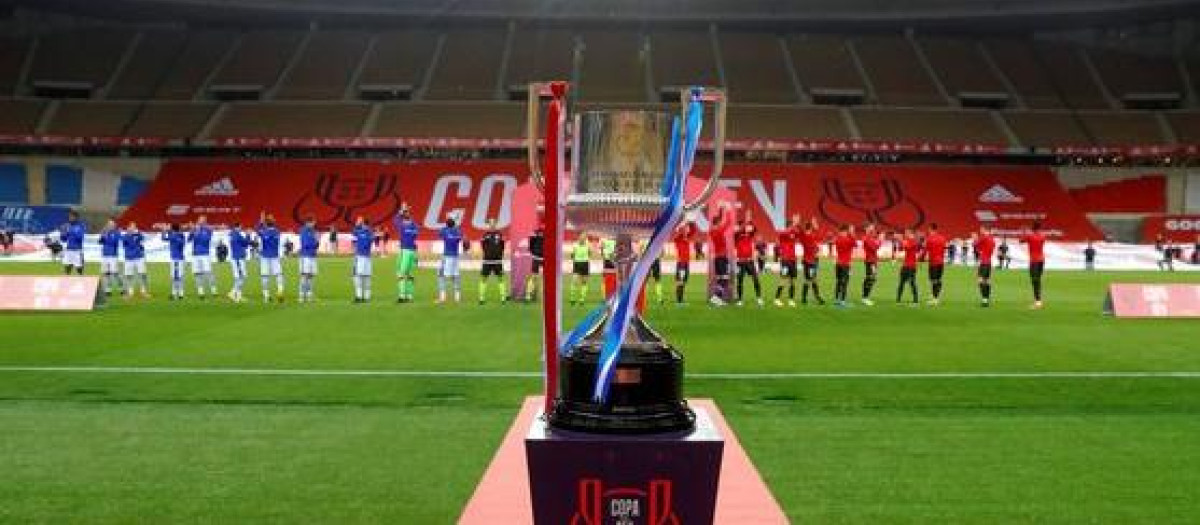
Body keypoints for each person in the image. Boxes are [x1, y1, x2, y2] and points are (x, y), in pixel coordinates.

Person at [733, 212, 763, 307]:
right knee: (740, 281)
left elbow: (755, 229)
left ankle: (759, 298)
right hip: (740, 261)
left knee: (755, 279)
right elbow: (738, 231)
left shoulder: (749, 234)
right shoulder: (736, 236)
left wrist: (750, 221)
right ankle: (740, 300)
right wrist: (746, 222)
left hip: (750, 261)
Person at [708, 202, 734, 306]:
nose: (720, 223)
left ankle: (717, 299)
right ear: (718, 223)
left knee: (719, 279)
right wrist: (728, 209)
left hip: (717, 258)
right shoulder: (719, 230)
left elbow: (720, 220)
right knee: (724, 279)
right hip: (722, 258)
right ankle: (716, 298)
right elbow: (728, 222)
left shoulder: (711, 231)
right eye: (719, 222)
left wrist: (720, 209)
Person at [188, 215, 218, 299]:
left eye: (202, 220)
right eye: (199, 220)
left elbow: (206, 240)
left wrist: (198, 231)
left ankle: (214, 291)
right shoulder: (195, 229)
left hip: (205, 254)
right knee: (197, 273)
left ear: (205, 221)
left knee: (208, 272)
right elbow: (189, 240)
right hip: (195, 255)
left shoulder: (208, 230)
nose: (200, 221)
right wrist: (192, 231)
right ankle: (201, 292)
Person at [257, 213, 285, 303]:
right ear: (274, 223)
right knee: (279, 274)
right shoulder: (277, 232)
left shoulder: (263, 232)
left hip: (265, 256)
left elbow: (257, 230)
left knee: (264, 276)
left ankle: (266, 296)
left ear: (266, 223)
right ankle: (280, 291)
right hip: (274, 256)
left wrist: (261, 222)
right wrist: (264, 223)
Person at [773, 215, 800, 307]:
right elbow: (784, 232)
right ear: (788, 226)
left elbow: (799, 233)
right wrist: (794, 224)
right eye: (791, 226)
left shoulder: (793, 233)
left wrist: (796, 224)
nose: (793, 228)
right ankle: (777, 299)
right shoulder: (783, 234)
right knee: (783, 279)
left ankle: (791, 299)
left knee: (793, 281)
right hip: (785, 260)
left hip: (793, 260)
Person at [478, 219, 507, 304]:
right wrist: (488, 254)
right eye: (490, 223)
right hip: (487, 260)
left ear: (495, 224)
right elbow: (483, 246)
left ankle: (503, 297)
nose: (492, 225)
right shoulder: (485, 235)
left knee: (500, 278)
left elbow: (502, 246)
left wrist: (499, 255)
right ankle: (481, 298)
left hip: (497, 261)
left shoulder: (500, 234)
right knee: (483, 278)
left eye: (493, 223)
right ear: (489, 225)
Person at [394, 207, 420, 303]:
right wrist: (406, 213)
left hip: (404, 251)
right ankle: (410, 296)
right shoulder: (415, 226)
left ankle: (402, 296)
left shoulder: (402, 226)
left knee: (400, 273)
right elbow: (415, 231)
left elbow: (395, 219)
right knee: (410, 274)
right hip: (413, 251)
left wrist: (401, 211)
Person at [798, 217, 825, 305]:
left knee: (808, 279)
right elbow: (820, 236)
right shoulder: (810, 236)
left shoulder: (804, 237)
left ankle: (804, 297)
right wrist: (815, 226)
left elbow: (802, 232)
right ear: (810, 229)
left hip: (807, 261)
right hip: (811, 262)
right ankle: (817, 297)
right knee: (813, 279)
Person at [437, 215, 465, 304]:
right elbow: (463, 239)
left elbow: (439, 233)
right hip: (455, 257)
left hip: (447, 256)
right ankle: (457, 297)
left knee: (441, 275)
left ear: (447, 224)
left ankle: (442, 297)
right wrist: (455, 227)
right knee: (456, 276)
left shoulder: (444, 231)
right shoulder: (458, 231)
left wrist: (451, 226)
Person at [1021, 221, 1047, 309]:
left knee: (1034, 281)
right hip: (1041, 260)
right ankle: (1039, 300)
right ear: (1040, 228)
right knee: (1038, 280)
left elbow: (1021, 240)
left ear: (1033, 228)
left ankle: (1038, 302)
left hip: (1034, 261)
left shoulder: (1030, 236)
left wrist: (1024, 232)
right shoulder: (1043, 236)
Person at [120, 222, 149, 299]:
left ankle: (144, 291)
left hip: (139, 257)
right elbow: (125, 243)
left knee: (142, 274)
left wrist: (137, 233)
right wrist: (130, 235)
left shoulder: (138, 235)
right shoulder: (125, 236)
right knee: (128, 275)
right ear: (128, 228)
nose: (133, 228)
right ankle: (130, 292)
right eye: (132, 227)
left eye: (134, 227)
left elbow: (143, 238)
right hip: (129, 258)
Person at [832, 224, 857, 307]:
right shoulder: (848, 240)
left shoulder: (837, 239)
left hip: (838, 263)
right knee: (845, 282)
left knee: (838, 282)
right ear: (846, 231)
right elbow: (855, 244)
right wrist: (852, 233)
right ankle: (842, 301)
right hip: (845, 264)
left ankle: (836, 299)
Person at [350, 216, 374, 303]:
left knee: (358, 276)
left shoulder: (361, 232)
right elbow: (354, 237)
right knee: (367, 276)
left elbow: (353, 235)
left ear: (363, 224)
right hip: (367, 257)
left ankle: (359, 296)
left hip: (360, 256)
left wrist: (357, 225)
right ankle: (366, 297)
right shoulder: (370, 232)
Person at [924, 223, 948, 306]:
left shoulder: (929, 239)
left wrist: (920, 258)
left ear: (930, 229)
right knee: (938, 279)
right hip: (941, 262)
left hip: (933, 262)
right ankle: (936, 296)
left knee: (933, 280)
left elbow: (925, 250)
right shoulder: (942, 238)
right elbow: (945, 249)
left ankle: (935, 299)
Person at [98, 218, 124, 296]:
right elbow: (100, 242)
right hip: (105, 255)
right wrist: (103, 236)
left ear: (115, 225)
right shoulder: (105, 232)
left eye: (112, 224)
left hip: (113, 255)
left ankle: (121, 288)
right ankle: (108, 290)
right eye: (109, 224)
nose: (110, 225)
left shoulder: (117, 232)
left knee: (115, 273)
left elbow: (114, 242)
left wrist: (106, 235)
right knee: (106, 273)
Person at [672, 221, 696, 305]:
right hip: (681, 263)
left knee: (683, 281)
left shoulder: (686, 237)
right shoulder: (678, 239)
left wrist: (691, 222)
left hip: (685, 263)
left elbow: (693, 230)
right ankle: (679, 301)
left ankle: (681, 300)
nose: (686, 230)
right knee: (680, 281)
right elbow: (678, 233)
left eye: (686, 229)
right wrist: (683, 226)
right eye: (685, 229)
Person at [161, 223, 187, 300]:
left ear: (172, 229)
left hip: (176, 259)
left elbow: (163, 238)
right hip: (179, 258)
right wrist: (166, 231)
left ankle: (175, 293)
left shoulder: (174, 236)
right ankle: (179, 293)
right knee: (179, 276)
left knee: (176, 276)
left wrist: (164, 230)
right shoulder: (180, 235)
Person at [298, 216, 320, 302]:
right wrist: (315, 240)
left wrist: (317, 241)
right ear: (308, 222)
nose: (314, 224)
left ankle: (309, 295)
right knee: (304, 276)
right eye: (313, 222)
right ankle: (301, 296)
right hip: (305, 256)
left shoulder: (313, 231)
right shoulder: (303, 231)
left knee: (311, 276)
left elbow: (316, 246)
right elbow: (306, 244)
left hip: (313, 256)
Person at [227, 223, 250, 303]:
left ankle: (238, 297)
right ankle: (232, 293)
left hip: (236, 257)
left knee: (240, 277)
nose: (241, 228)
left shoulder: (232, 234)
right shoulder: (237, 235)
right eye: (240, 227)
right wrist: (248, 235)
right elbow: (246, 244)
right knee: (242, 277)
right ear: (238, 227)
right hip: (238, 258)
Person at [896, 228, 919, 306]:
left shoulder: (914, 241)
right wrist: (900, 241)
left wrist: (901, 240)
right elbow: (901, 248)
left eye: (906, 233)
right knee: (901, 282)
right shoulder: (907, 241)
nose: (905, 234)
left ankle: (915, 301)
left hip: (911, 266)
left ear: (911, 233)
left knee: (912, 283)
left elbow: (907, 247)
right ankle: (898, 300)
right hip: (905, 265)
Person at [860, 223, 881, 306]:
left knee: (872, 278)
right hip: (870, 261)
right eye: (871, 228)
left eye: (873, 228)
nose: (873, 229)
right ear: (867, 229)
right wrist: (880, 241)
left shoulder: (871, 238)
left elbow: (875, 247)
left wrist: (878, 241)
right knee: (870, 278)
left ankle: (865, 296)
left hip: (873, 261)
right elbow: (874, 248)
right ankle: (865, 297)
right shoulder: (866, 238)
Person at [975, 225, 997, 307]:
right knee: (987, 281)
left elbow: (975, 244)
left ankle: (984, 300)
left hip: (984, 262)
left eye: (981, 229)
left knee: (981, 281)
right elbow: (984, 248)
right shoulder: (992, 239)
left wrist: (975, 239)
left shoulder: (984, 237)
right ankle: (987, 298)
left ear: (985, 229)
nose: (980, 231)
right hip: (988, 262)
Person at [59, 210, 85, 275]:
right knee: (67, 268)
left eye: (72, 217)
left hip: (77, 250)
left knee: (79, 269)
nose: (70, 218)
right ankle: (67, 279)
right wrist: (63, 232)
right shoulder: (68, 226)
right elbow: (63, 239)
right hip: (69, 249)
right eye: (69, 217)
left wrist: (70, 231)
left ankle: (81, 279)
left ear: (76, 217)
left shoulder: (80, 226)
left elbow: (80, 238)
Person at [569, 234, 591, 306]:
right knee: (574, 281)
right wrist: (574, 258)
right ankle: (572, 299)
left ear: (585, 239)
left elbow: (590, 254)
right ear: (579, 238)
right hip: (577, 264)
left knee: (584, 282)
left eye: (584, 237)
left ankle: (582, 299)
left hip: (585, 264)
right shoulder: (575, 245)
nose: (582, 239)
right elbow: (572, 255)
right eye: (581, 237)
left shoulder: (588, 245)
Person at [525, 225, 544, 302]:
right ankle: (528, 294)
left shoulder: (549, 235)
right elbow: (530, 245)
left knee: (545, 278)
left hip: (545, 258)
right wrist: (533, 253)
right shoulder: (534, 235)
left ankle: (543, 295)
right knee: (533, 276)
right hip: (536, 258)